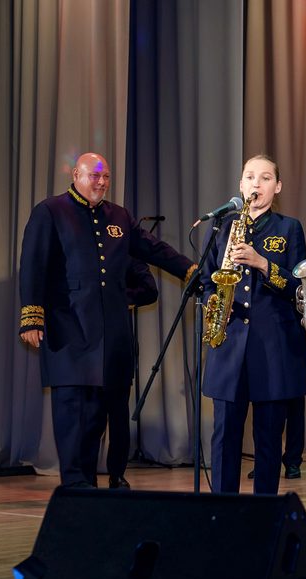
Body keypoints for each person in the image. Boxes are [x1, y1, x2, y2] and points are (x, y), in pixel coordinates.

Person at [19, 152, 196, 489]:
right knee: (72, 413)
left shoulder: (119, 216)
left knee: (95, 416)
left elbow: (153, 249)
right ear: (76, 175)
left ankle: (88, 487)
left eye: (106, 177)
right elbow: (33, 263)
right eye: (94, 176)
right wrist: (31, 316)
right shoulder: (50, 211)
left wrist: (190, 270)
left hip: (109, 335)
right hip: (69, 329)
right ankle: (75, 487)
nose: (101, 182)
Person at [201, 154, 306, 496]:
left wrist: (263, 264)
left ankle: (264, 512)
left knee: (268, 439)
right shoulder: (221, 228)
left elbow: (300, 288)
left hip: (273, 347)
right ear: (241, 184)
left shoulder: (289, 228)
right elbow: (206, 280)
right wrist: (214, 302)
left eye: (265, 178)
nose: (256, 184)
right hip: (229, 346)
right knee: (224, 437)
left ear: (277, 187)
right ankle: (221, 512)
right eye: (250, 177)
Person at [100, 259, 159, 490]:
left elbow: (150, 290)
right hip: (83, 346)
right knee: (88, 417)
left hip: (118, 344)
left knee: (118, 416)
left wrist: (116, 298)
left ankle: (117, 474)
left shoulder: (126, 250)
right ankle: (82, 477)